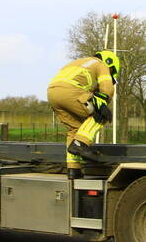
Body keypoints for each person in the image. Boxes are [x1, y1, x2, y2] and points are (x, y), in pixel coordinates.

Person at [47, 50, 119, 179]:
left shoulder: (79, 63)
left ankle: (73, 169)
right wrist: (103, 103)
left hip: (52, 93)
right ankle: (80, 144)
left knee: (74, 129)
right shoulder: (101, 64)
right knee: (101, 115)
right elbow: (106, 87)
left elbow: (84, 85)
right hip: (71, 91)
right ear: (111, 64)